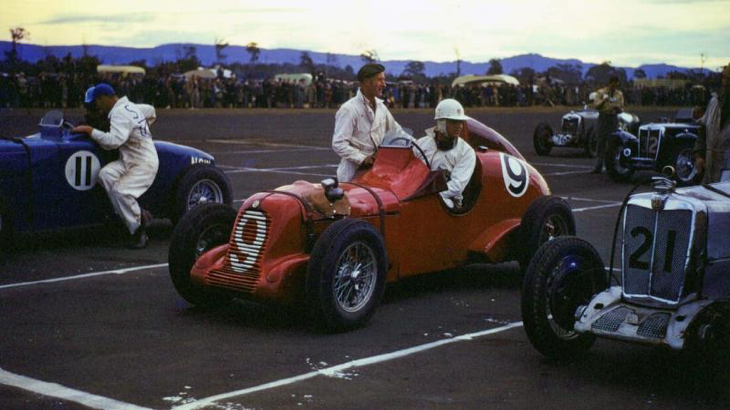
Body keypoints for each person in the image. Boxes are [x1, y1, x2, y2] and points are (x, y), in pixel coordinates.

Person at [72, 84, 158, 249]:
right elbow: (151, 111)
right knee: (105, 175)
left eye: (97, 102)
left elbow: (113, 142)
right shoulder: (130, 106)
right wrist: (141, 128)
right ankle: (134, 214)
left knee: (121, 192)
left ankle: (138, 231)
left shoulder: (119, 112)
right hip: (129, 159)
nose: (97, 107)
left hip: (143, 163)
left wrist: (90, 131)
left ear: (103, 98)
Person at [332, 63, 402, 182]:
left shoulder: (381, 107)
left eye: (384, 80)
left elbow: (397, 132)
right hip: (352, 176)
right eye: (380, 80)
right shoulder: (349, 109)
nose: (384, 84)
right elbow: (338, 144)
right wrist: (363, 158)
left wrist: (422, 145)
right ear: (366, 82)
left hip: (375, 173)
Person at [414, 99, 476, 209]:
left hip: (448, 200)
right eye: (454, 122)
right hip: (417, 194)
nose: (460, 126)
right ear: (441, 122)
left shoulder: (466, 152)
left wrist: (427, 195)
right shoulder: (421, 144)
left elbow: (456, 186)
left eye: (461, 122)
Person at [694, 63, 730, 184]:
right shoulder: (714, 103)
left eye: (728, 79)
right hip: (709, 173)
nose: (724, 83)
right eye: (724, 78)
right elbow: (703, 130)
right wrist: (699, 155)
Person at [590, 76, 625, 173]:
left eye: (616, 85)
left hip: (613, 118)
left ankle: (611, 165)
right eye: (613, 85)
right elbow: (595, 105)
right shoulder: (601, 93)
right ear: (610, 83)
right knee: (600, 141)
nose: (614, 87)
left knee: (612, 142)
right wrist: (603, 101)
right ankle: (598, 165)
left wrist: (618, 109)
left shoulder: (619, 94)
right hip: (603, 117)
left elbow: (622, 108)